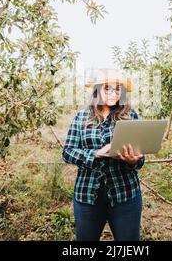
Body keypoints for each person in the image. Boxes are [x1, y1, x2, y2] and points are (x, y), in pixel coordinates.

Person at [62, 69, 145, 241]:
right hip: (87, 196)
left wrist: (134, 160)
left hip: (125, 194)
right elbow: (67, 151)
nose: (113, 93)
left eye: (117, 89)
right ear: (97, 90)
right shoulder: (81, 117)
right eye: (107, 88)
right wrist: (95, 154)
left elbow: (140, 158)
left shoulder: (130, 115)